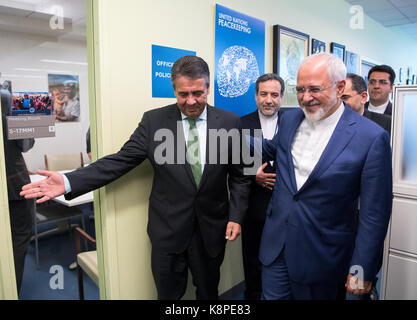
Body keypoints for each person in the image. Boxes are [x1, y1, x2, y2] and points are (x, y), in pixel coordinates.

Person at [20, 55, 250, 300]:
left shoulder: (230, 122)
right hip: (168, 231)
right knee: (168, 295)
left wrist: (236, 216)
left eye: (198, 93)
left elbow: (241, 176)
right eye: (183, 94)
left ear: (208, 87)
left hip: (211, 230)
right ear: (174, 89)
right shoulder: (154, 121)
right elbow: (120, 161)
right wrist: (69, 181)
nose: (191, 101)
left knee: (208, 292)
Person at [259, 53, 392, 300]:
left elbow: (375, 214)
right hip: (276, 248)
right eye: (300, 89)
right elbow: (268, 148)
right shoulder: (289, 119)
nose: (305, 97)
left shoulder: (371, 138)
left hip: (323, 256)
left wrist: (362, 268)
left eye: (314, 89)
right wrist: (215, 137)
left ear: (340, 87)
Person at [240, 73, 284, 300]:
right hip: (254, 207)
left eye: (274, 95)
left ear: (281, 97)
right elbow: (230, 164)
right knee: (252, 259)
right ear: (256, 96)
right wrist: (251, 174)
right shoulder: (240, 124)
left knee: (284, 260)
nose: (269, 99)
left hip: (287, 208)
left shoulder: (294, 122)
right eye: (264, 94)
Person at [1, 86, 35, 293]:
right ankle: (11, 290)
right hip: (14, 184)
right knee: (18, 238)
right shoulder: (7, 98)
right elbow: (25, 144)